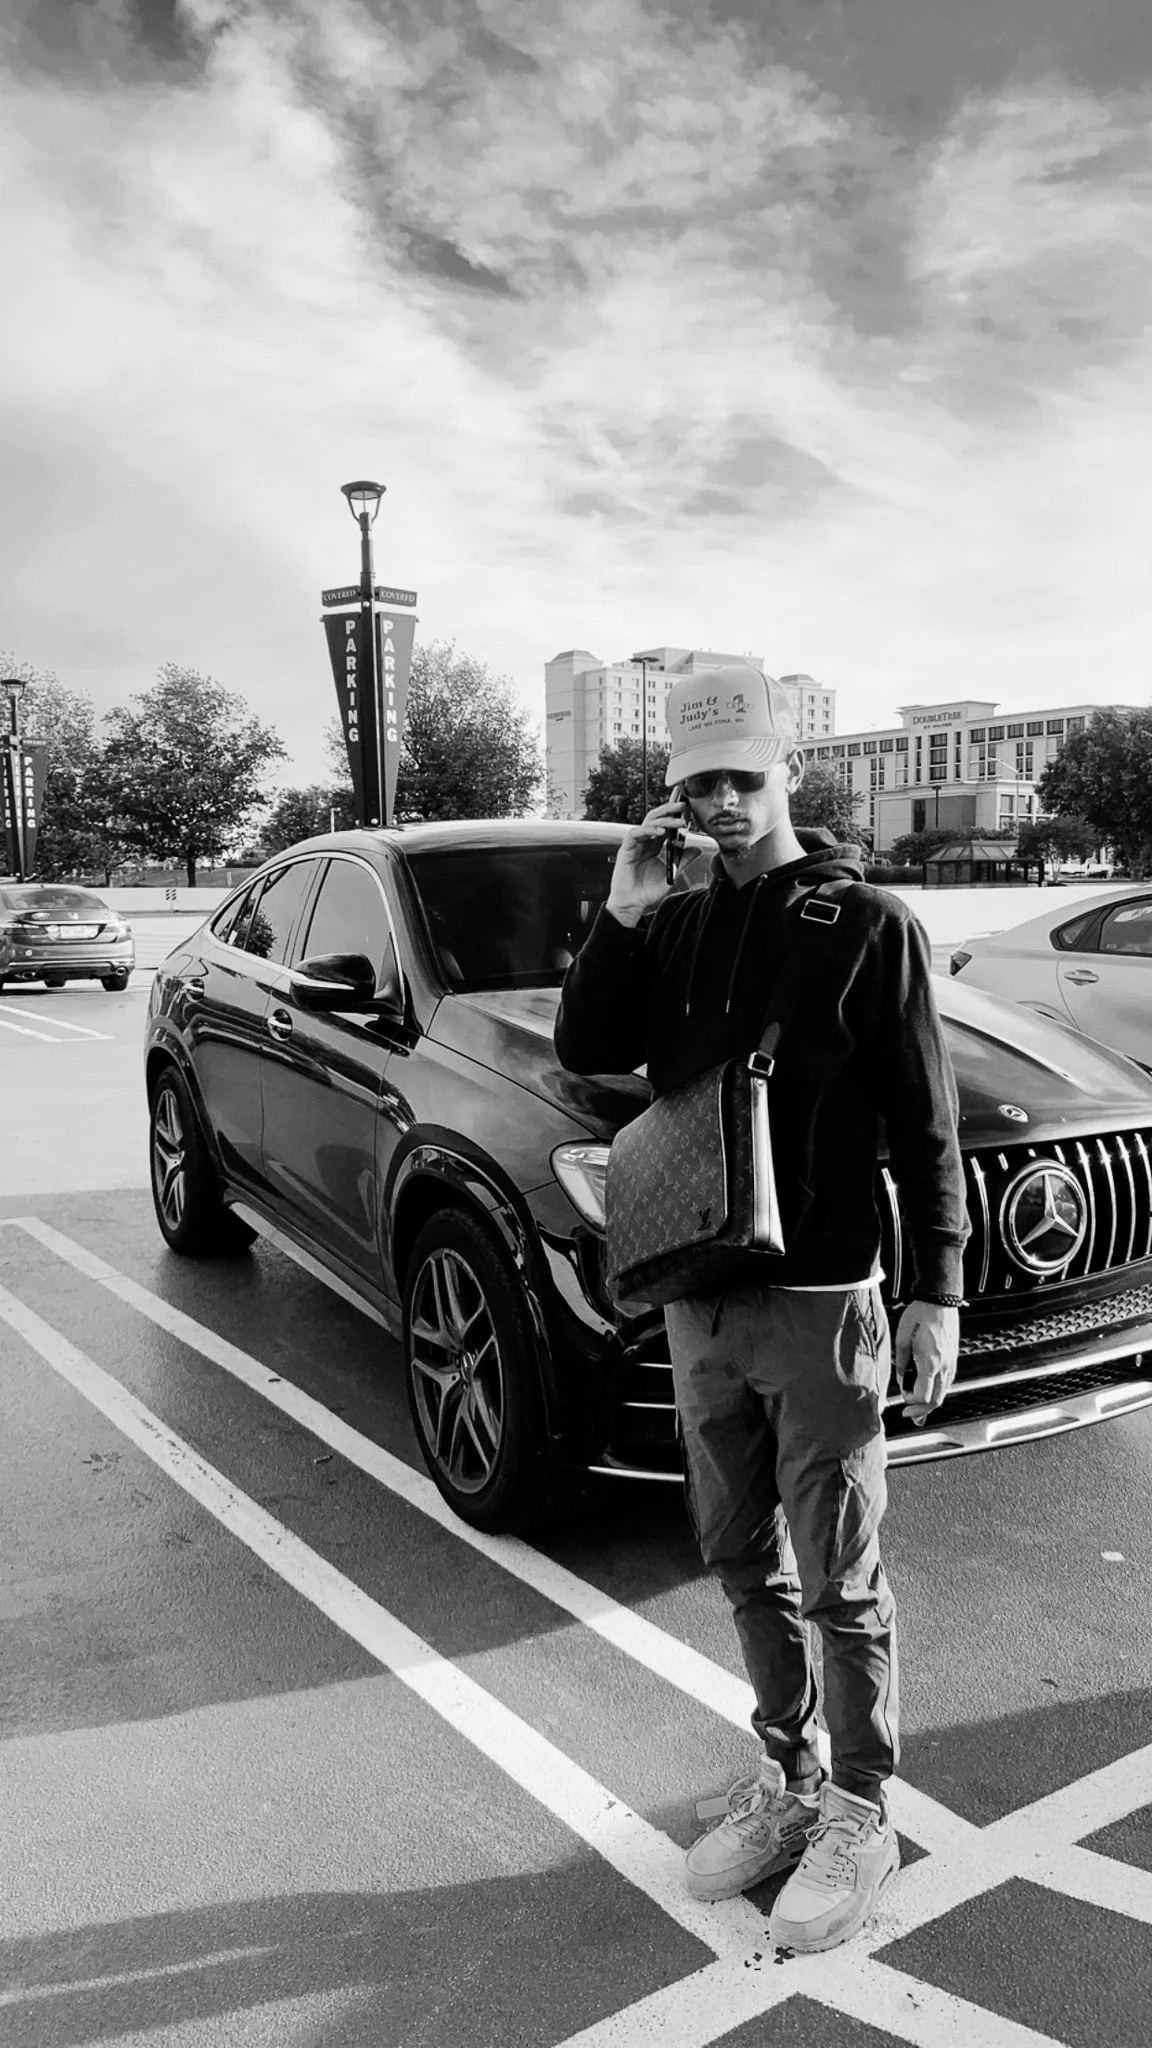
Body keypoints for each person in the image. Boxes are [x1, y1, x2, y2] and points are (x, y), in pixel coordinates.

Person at [554, 665, 969, 1955]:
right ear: (675, 796)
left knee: (840, 1573)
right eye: (699, 785)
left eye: (744, 777)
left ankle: (861, 1807)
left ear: (785, 773)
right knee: (740, 1553)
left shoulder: (867, 923)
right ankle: (789, 1778)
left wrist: (937, 1290)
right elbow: (586, 1049)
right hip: (702, 1290)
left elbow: (927, 1121)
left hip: (823, 1296)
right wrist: (624, 914)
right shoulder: (674, 923)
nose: (723, 803)